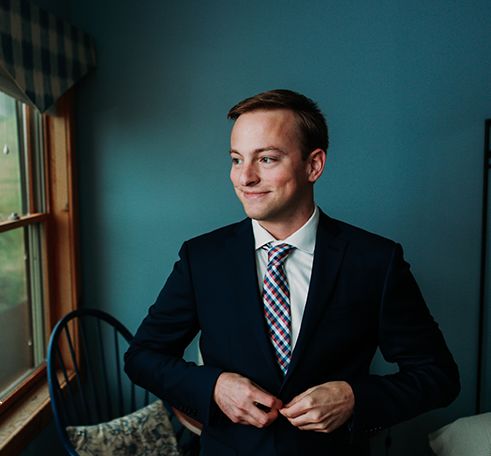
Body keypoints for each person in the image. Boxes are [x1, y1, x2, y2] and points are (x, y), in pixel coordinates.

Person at [124, 89, 460, 455]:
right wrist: (215, 387)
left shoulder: (376, 260)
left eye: (266, 159)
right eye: (237, 159)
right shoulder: (201, 258)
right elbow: (142, 357)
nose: (245, 177)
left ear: (313, 165)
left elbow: (438, 375)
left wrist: (354, 398)